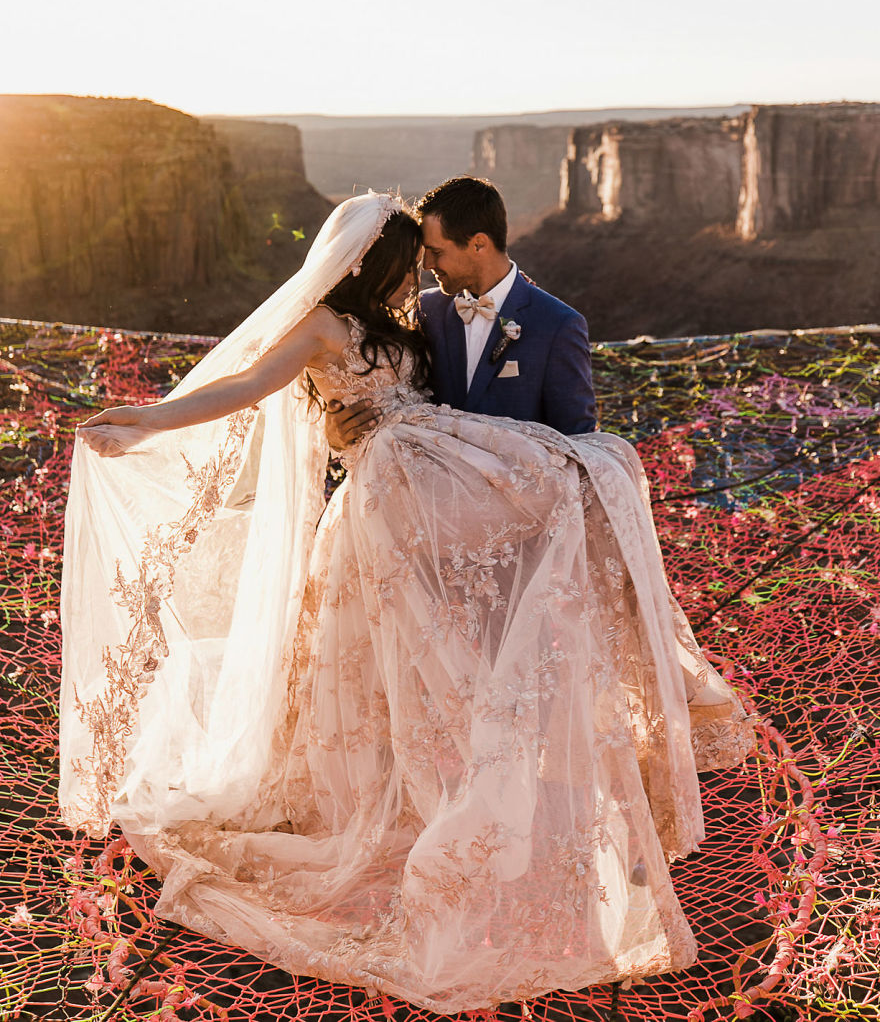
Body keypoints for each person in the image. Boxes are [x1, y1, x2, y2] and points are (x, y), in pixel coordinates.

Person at [60, 191, 754, 1015]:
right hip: (389, 505)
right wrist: (148, 420)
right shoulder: (334, 327)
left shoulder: (408, 324)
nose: (425, 272)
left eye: (433, 255)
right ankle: (461, 804)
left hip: (438, 487)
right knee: (404, 671)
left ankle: (496, 799)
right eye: (412, 260)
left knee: (546, 529)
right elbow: (245, 385)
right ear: (379, 265)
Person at [327, 177, 596, 452]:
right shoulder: (424, 309)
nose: (427, 265)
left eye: (435, 252)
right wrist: (339, 435)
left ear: (478, 244)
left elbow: (578, 444)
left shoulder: (558, 325)